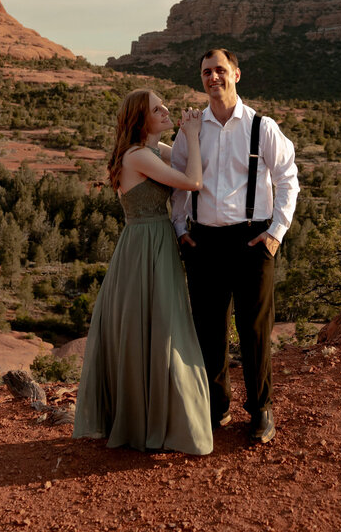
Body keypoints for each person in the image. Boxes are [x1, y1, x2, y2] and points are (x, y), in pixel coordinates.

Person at [73, 89, 213, 455]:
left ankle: (160, 417)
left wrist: (188, 133)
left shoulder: (153, 151)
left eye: (164, 105)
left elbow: (185, 163)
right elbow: (192, 181)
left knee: (159, 325)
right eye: (157, 109)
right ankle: (149, 422)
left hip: (155, 242)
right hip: (143, 245)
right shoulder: (137, 156)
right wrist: (193, 135)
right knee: (157, 326)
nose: (165, 110)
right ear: (141, 119)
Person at [171, 48, 299, 444]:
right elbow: (177, 179)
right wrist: (180, 229)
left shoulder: (263, 127)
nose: (214, 78)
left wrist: (276, 233)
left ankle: (261, 410)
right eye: (207, 72)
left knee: (254, 329)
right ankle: (216, 407)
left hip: (252, 239)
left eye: (220, 70)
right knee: (208, 330)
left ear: (237, 74)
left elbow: (288, 178)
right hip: (203, 241)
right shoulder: (191, 128)